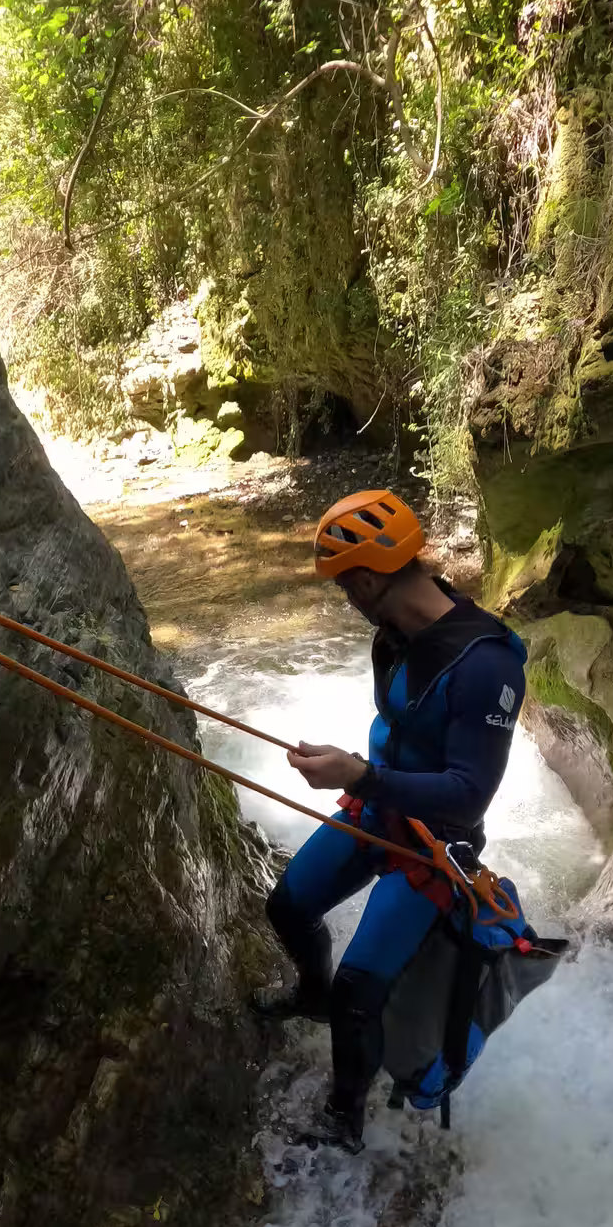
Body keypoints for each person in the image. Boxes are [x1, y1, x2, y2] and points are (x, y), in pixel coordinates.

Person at [255, 490, 527, 1153]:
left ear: (370, 579)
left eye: (344, 583)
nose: (343, 596)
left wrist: (361, 775)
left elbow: (467, 796)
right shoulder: (395, 635)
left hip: (435, 843)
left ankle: (344, 1118)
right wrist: (360, 778)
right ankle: (309, 996)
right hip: (377, 807)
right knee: (288, 909)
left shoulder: (487, 663)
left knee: (360, 991)